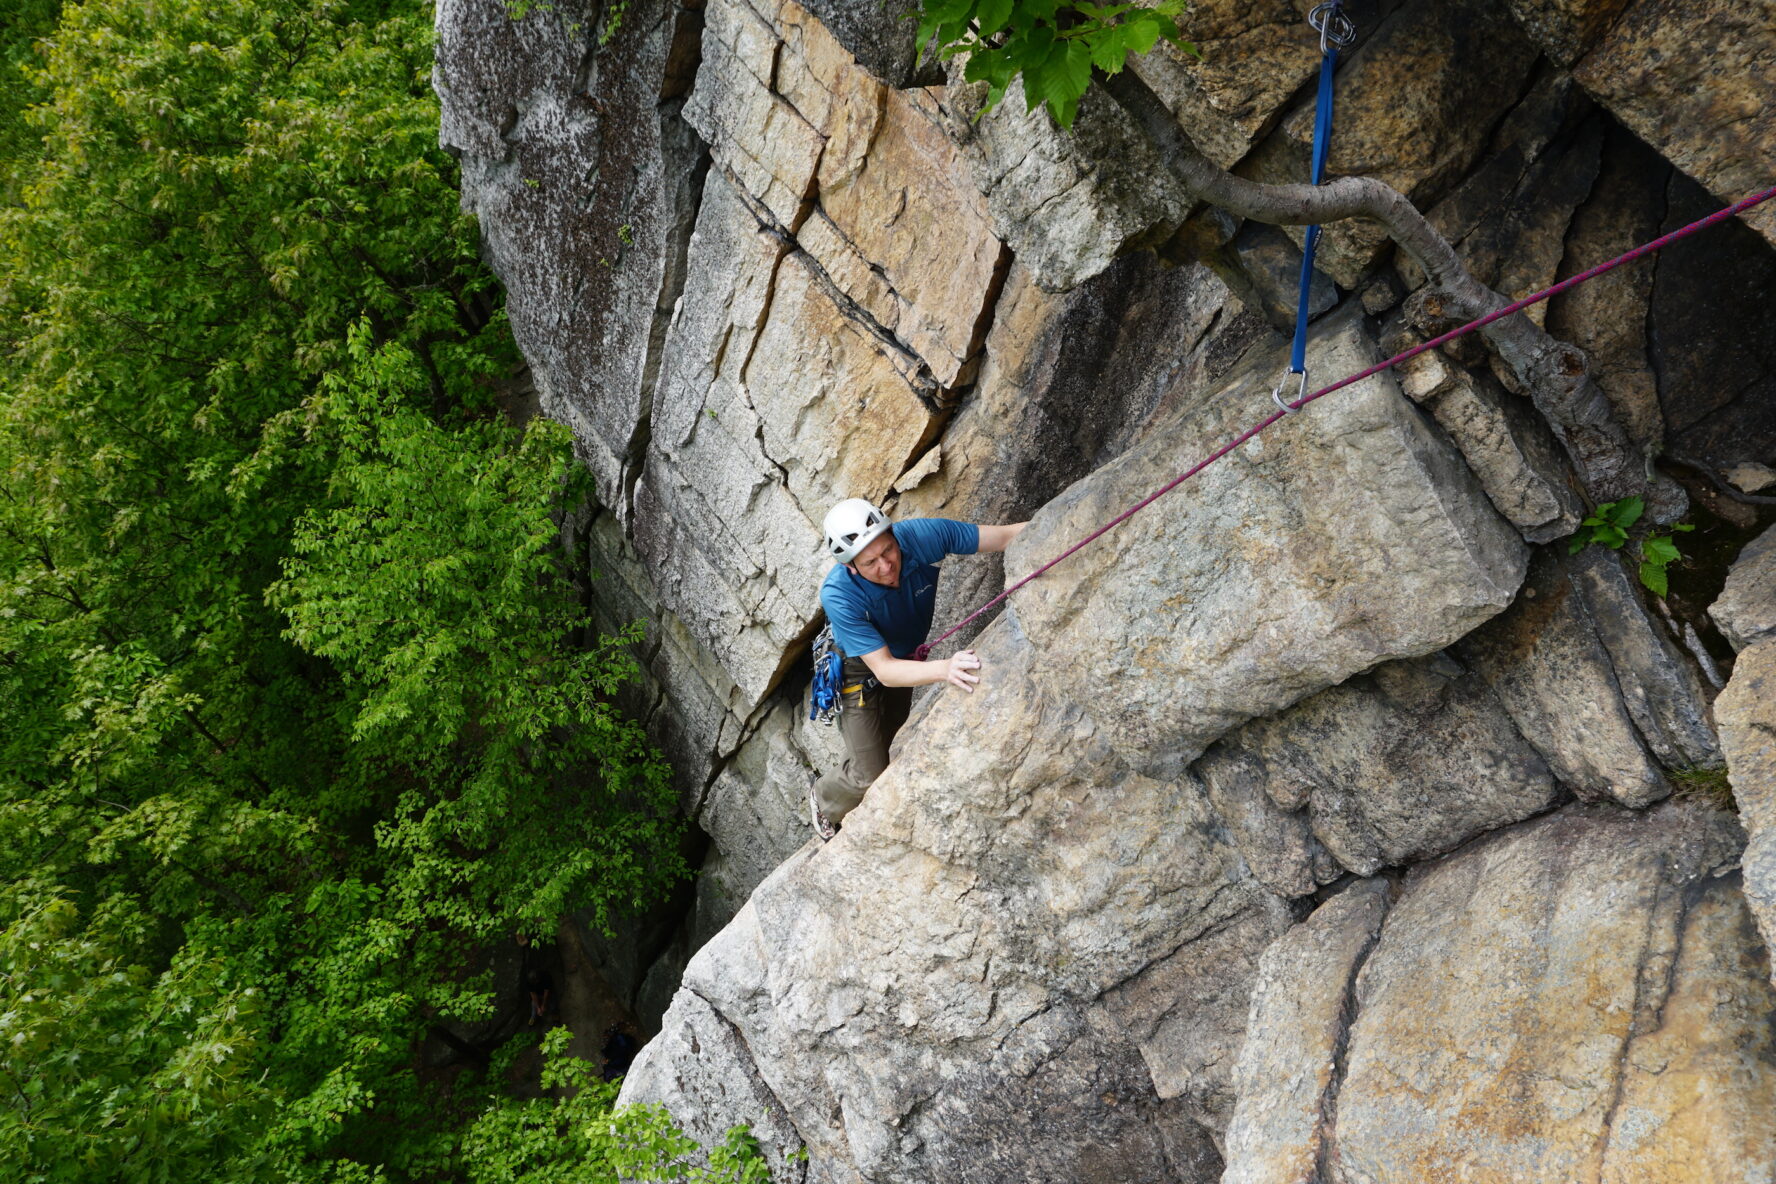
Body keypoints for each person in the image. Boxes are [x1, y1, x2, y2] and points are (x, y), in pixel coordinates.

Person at [809, 498, 1027, 840]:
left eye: (888, 551)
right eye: (870, 562)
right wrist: (946, 669)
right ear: (851, 567)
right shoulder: (839, 594)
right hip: (858, 671)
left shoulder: (921, 536)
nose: (886, 565)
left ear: (894, 535)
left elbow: (1004, 537)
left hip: (905, 658)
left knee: (894, 738)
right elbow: (883, 670)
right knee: (869, 773)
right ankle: (824, 799)